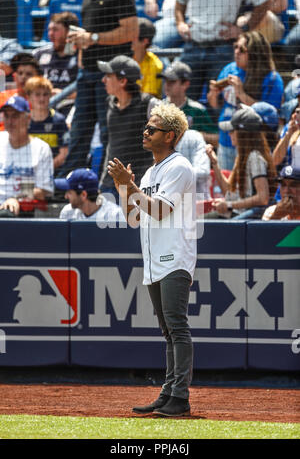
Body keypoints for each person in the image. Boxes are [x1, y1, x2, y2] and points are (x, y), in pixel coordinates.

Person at [107, 102, 196, 417]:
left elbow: (160, 209)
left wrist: (129, 185)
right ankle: (169, 393)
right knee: (168, 330)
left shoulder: (179, 166)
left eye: (152, 129)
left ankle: (180, 398)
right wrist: (123, 186)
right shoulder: (149, 171)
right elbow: (133, 217)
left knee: (176, 325)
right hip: (155, 257)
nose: (145, 132)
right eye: (146, 127)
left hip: (175, 255)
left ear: (170, 136)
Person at [57, 0, 139, 178]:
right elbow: (89, 30)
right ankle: (69, 182)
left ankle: (111, 180)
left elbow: (132, 31)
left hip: (111, 75)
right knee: (79, 131)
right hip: (86, 73)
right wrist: (81, 49)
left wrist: (93, 38)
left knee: (108, 132)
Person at [175, 0, 271, 101]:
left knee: (219, 101)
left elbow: (264, 0)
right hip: (193, 46)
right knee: (180, 100)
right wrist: (180, 23)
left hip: (222, 49)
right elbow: (179, 1)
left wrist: (244, 29)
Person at [207, 31, 283, 170]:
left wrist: (241, 93)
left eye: (242, 49)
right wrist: (213, 94)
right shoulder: (229, 69)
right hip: (226, 140)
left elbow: (269, 115)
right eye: (235, 46)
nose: (236, 52)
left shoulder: (272, 79)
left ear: (254, 53)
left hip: (253, 146)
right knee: (228, 188)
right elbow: (215, 105)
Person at [97, 54, 159, 200]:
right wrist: (102, 182)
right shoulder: (109, 102)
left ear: (122, 81)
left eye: (108, 76)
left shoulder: (149, 104)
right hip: (109, 185)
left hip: (138, 185)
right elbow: (110, 146)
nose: (103, 80)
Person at [206, 105, 277, 220]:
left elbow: (263, 197)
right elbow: (228, 191)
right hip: (235, 213)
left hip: (246, 217)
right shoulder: (242, 156)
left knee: (201, 226)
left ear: (243, 133)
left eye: (232, 130)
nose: (229, 134)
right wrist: (214, 163)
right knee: (197, 222)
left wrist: (229, 205)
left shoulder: (255, 157)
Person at [0, 96, 54, 217]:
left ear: (28, 119)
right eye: (6, 116)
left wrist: (15, 199)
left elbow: (43, 191)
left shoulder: (41, 148)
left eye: (15, 116)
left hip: (20, 209)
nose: (9, 121)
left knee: (7, 214)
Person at [159, 60, 219, 147]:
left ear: (185, 84)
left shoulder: (197, 110)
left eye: (172, 81)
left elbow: (217, 140)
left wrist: (192, 135)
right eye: (166, 80)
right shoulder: (158, 108)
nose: (167, 84)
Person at [32, 12, 80, 116]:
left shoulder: (81, 57)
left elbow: (87, 89)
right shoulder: (39, 54)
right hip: (40, 105)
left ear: (69, 32)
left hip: (71, 107)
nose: (50, 34)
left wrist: (64, 94)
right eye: (49, 29)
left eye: (55, 30)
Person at [24, 76, 70, 175]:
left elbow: (64, 154)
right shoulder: (23, 121)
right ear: (28, 97)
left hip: (53, 174)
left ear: (50, 96)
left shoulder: (59, 120)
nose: (42, 98)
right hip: (27, 174)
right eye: (37, 94)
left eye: (45, 94)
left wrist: (43, 169)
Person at [54, 168, 124, 222]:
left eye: (69, 192)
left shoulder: (116, 216)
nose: (65, 196)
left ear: (83, 195)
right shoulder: (67, 212)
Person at [0, 53, 42, 131]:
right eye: (20, 73)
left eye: (28, 74)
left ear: (39, 78)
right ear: (14, 76)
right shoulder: (2, 97)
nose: (23, 77)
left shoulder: (42, 101)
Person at [132, 17, 163, 98]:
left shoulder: (155, 64)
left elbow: (148, 99)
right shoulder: (123, 59)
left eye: (133, 35)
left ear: (144, 41)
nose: (128, 38)